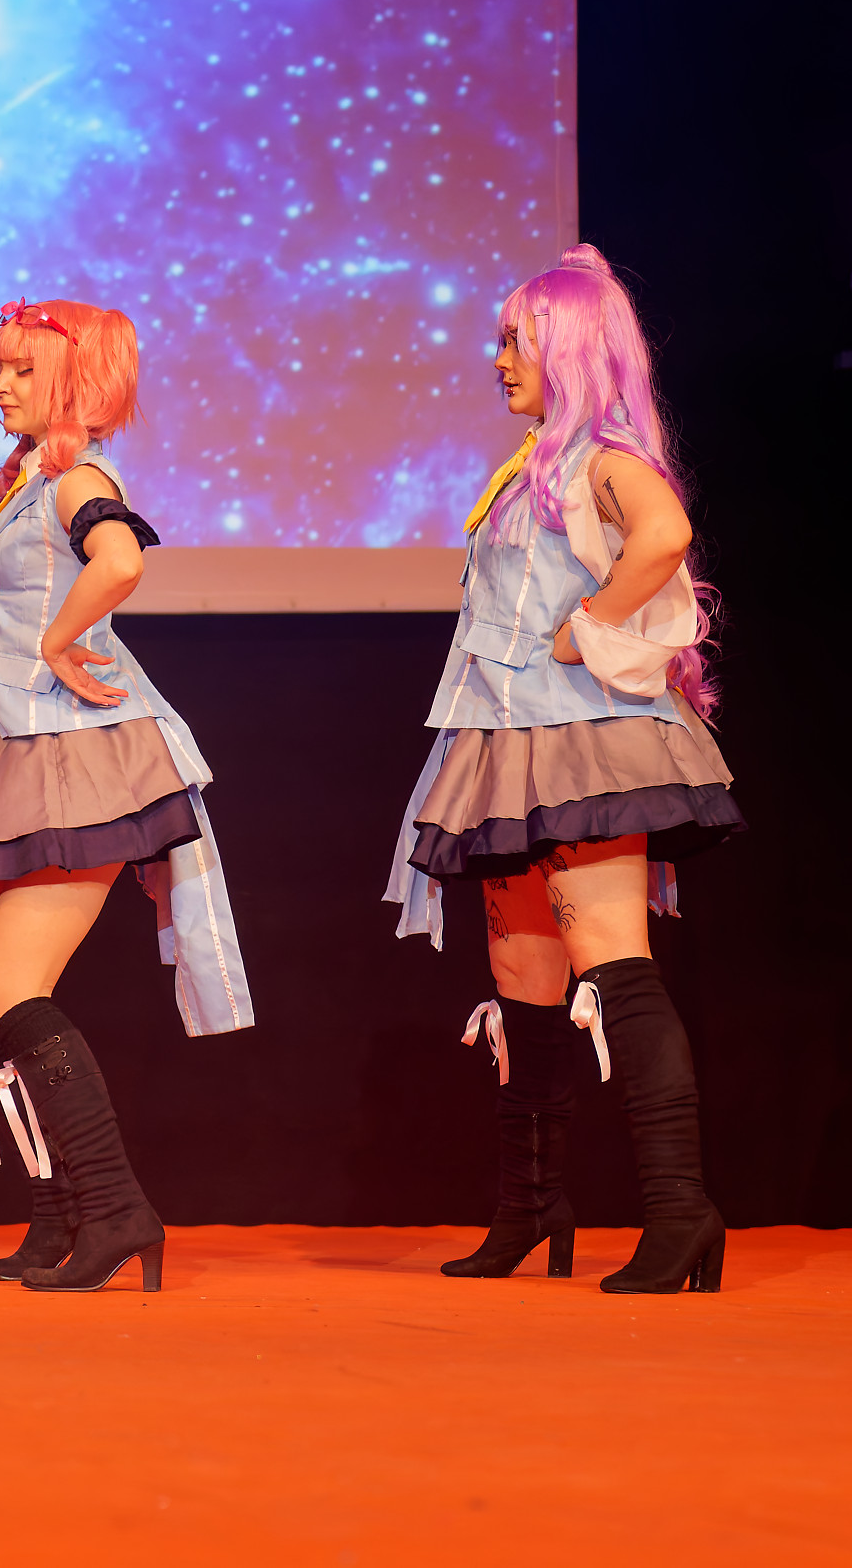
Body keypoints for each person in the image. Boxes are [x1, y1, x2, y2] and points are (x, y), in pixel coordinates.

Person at [387, 244, 740, 1294]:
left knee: (611, 962)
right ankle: (532, 1206)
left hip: (581, 748)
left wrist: (592, 624)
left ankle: (680, 1211)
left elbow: (666, 533)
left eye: (518, 341)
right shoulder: (533, 464)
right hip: (508, 748)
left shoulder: (603, 456)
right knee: (524, 981)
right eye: (500, 340)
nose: (498, 359)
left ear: (574, 350)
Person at [0, 298, 254, 1294]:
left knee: (10, 988)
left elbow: (121, 557)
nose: (0, 386)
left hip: (81, 756)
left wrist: (60, 641)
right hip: (27, 750)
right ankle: (59, 1214)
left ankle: (116, 1208)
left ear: (74, 383)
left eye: (24, 370)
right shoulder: (35, 483)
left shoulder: (78, 481)